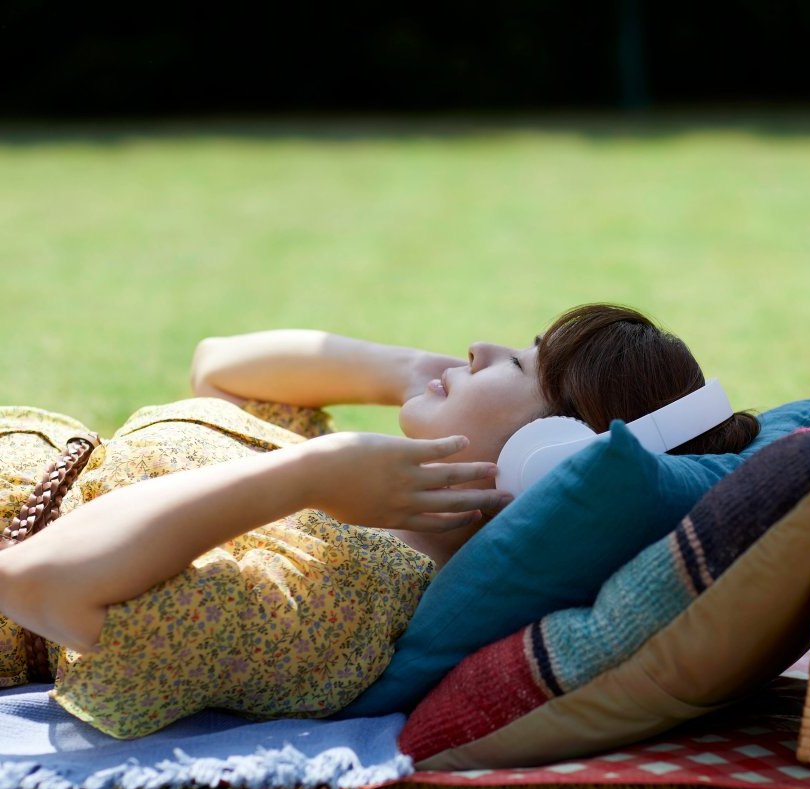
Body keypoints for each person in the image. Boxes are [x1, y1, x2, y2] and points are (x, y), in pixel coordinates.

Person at [0, 303, 759, 738]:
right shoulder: (352, 497)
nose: (480, 346)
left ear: (545, 459)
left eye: (521, 365)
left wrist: (304, 475)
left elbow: (40, 584)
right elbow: (220, 365)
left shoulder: (339, 601)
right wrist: (408, 374)